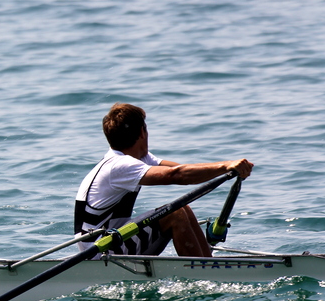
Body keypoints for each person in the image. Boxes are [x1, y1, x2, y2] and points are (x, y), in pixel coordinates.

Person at [74, 103, 253, 258]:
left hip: (115, 240)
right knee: (175, 213)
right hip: (99, 250)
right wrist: (226, 166)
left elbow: (181, 169)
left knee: (183, 208)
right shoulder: (119, 166)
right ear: (142, 133)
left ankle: (208, 263)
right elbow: (177, 175)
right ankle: (202, 271)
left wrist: (228, 168)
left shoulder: (138, 158)